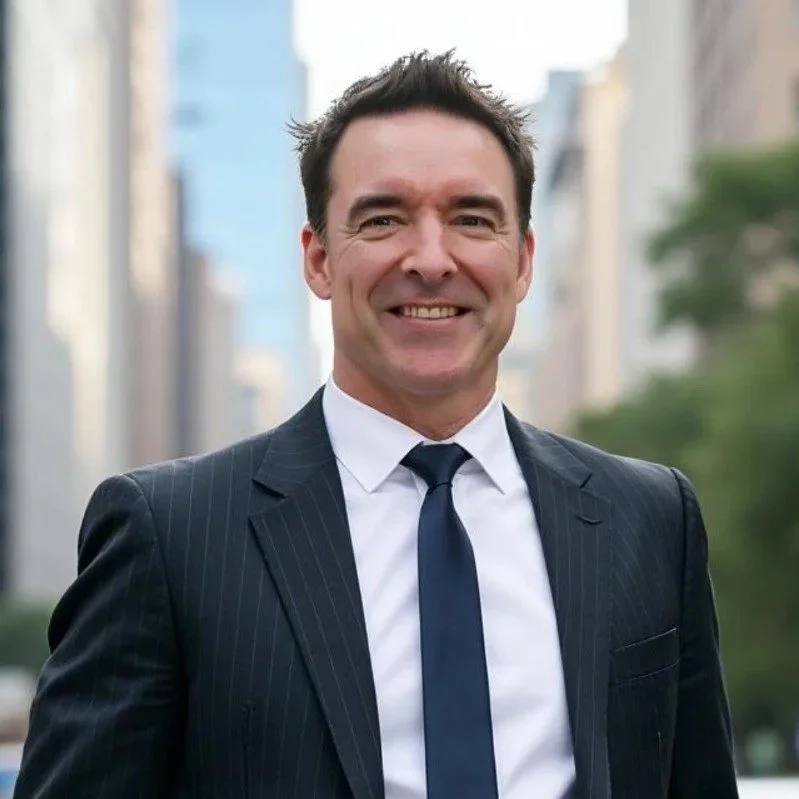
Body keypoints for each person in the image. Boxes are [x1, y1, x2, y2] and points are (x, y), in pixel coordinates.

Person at [13, 51, 739, 799]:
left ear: (522, 261)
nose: (430, 259)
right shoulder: (169, 536)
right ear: (319, 258)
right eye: (384, 217)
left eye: (471, 218)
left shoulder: (650, 521)